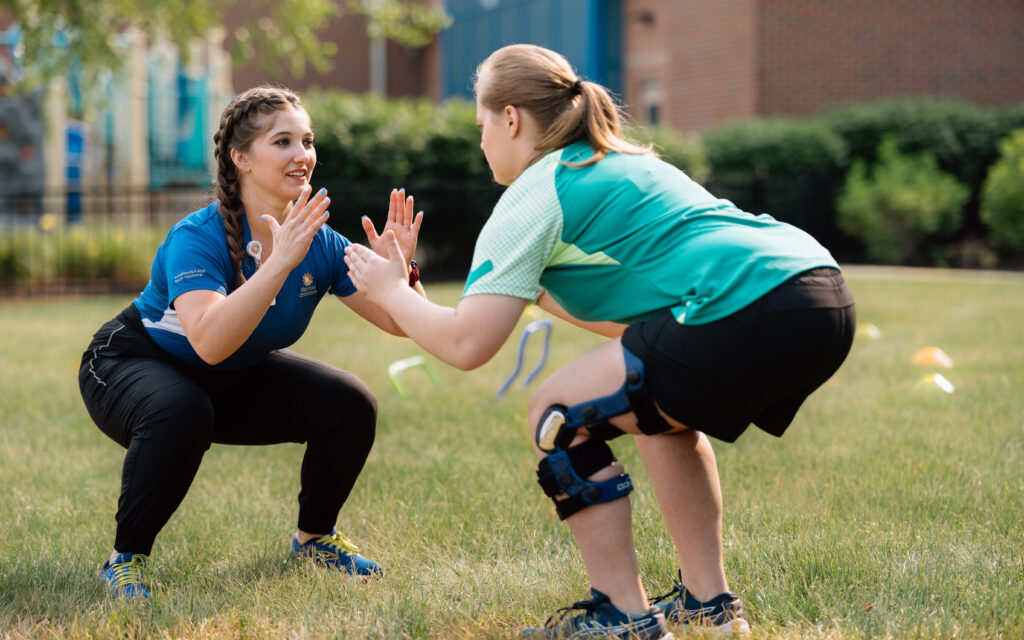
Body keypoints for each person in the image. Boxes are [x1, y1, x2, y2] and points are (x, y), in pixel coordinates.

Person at [343, 44, 855, 639]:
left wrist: (387, 289)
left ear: (510, 118)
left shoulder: (535, 193)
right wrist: (415, 294)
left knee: (558, 415)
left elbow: (467, 346)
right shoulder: (615, 161)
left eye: (481, 124)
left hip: (749, 301)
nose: (481, 141)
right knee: (655, 413)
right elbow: (639, 331)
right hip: (819, 292)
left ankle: (622, 618)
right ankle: (709, 607)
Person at [78, 85, 425, 599]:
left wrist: (401, 276)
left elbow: (398, 323)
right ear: (241, 158)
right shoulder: (199, 236)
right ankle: (124, 558)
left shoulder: (319, 241)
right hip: (131, 362)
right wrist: (278, 263)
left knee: (350, 404)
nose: (302, 155)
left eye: (306, 141)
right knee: (181, 409)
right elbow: (210, 343)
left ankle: (314, 539)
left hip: (226, 376)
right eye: (283, 142)